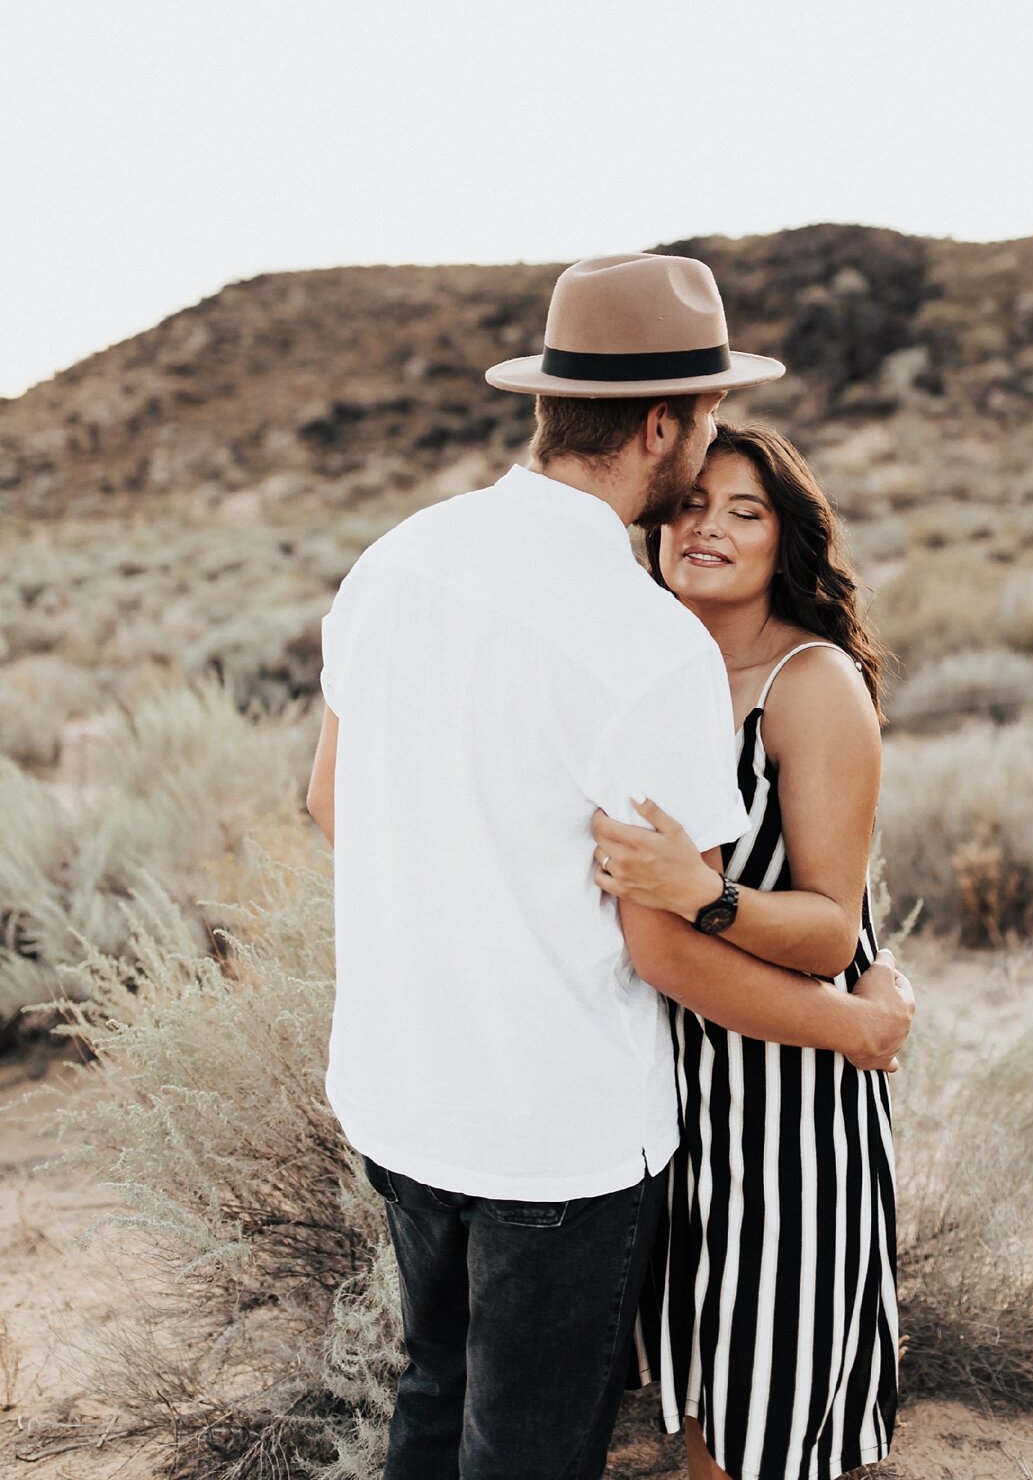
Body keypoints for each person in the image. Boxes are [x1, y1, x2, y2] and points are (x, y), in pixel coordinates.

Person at [303, 253, 915, 1480]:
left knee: (434, 1389)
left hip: (398, 1086)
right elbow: (666, 941)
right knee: (527, 1443)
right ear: (660, 426)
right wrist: (853, 1029)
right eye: (701, 425)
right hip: (554, 1131)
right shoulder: (644, 641)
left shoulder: (396, 559)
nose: (704, 463)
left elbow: (330, 802)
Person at [592, 421, 902, 1480]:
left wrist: (703, 894)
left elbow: (828, 923)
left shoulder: (809, 685)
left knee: (758, 1420)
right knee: (700, 1404)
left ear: (788, 541)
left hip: (786, 1101)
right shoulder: (647, 671)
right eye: (690, 504)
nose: (707, 527)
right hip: (671, 1091)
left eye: (745, 510)